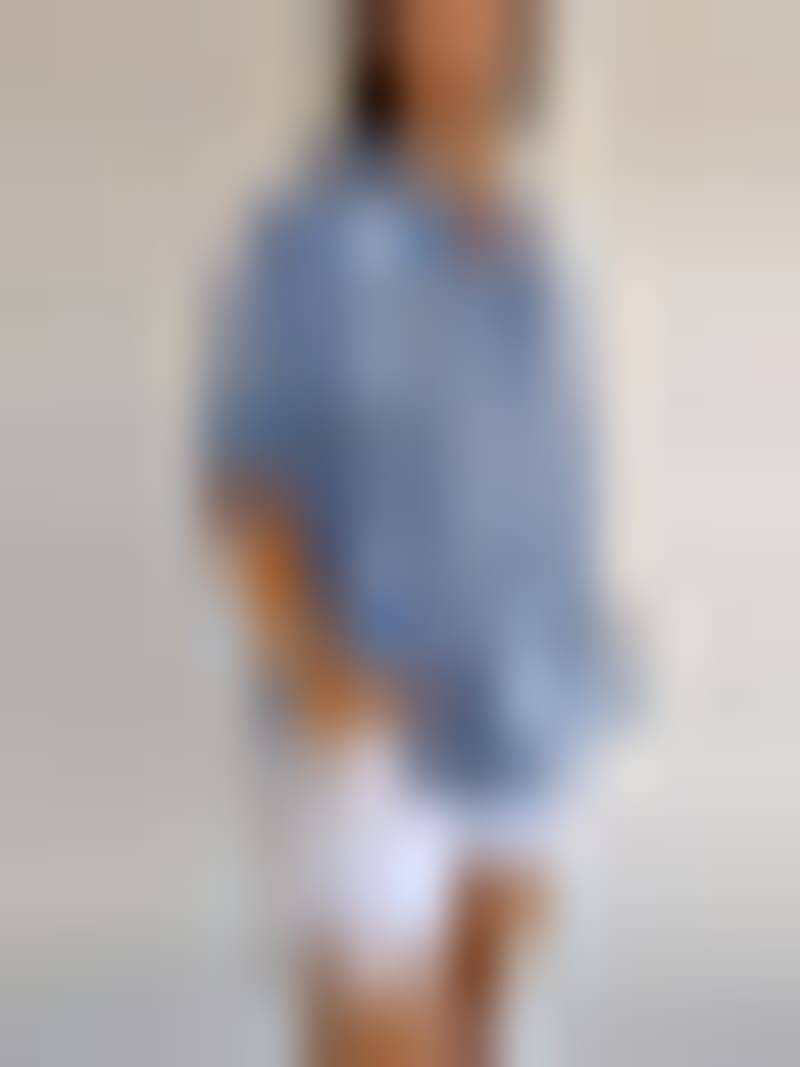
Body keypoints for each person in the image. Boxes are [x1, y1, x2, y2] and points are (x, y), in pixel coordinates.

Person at [207, 1, 611, 1063]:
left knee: (476, 1030)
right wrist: (311, 664)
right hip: (380, 724)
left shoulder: (526, 252)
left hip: (527, 712)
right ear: (376, 34)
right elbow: (247, 470)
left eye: (484, 11)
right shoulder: (315, 238)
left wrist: (580, 662)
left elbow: (547, 480)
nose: (457, 32)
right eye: (426, 11)